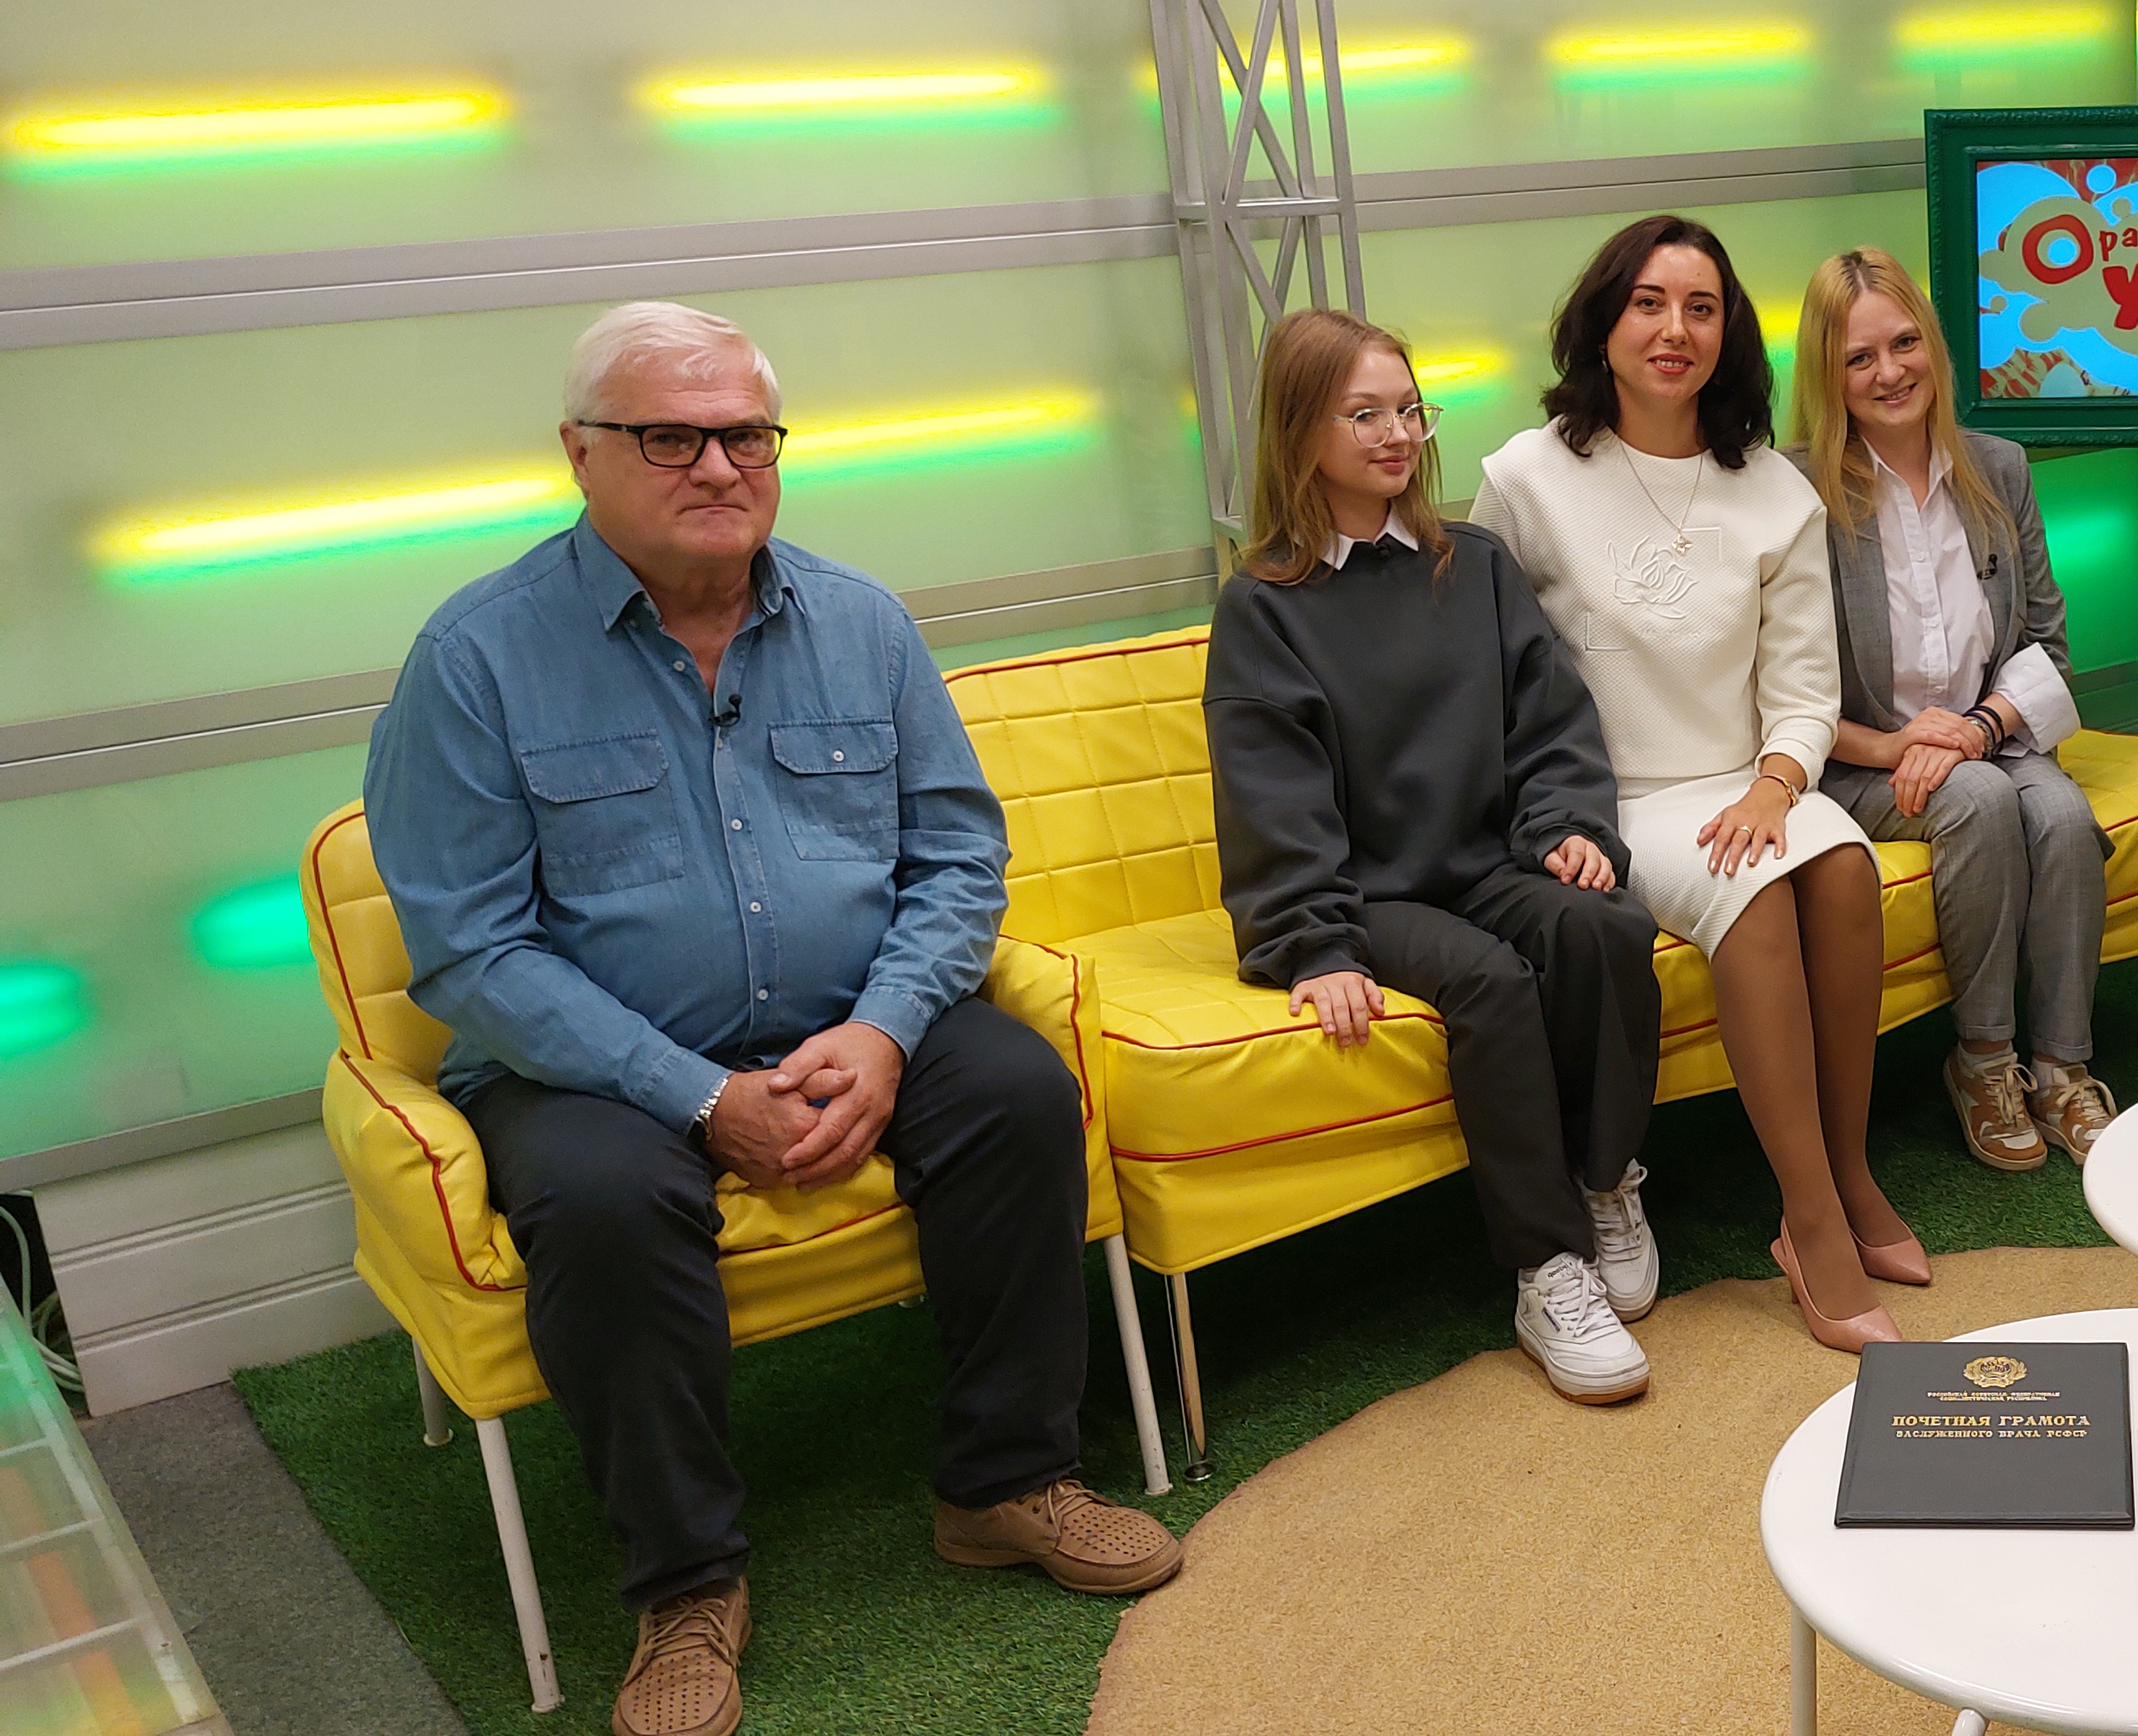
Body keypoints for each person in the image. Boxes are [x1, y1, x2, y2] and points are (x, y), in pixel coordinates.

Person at [362, 302, 1178, 1736]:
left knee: (1014, 1091)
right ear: (580, 452)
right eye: (668, 436)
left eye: (746, 435)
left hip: (850, 1017)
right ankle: (685, 1582)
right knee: (604, 1200)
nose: (717, 465)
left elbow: (957, 857)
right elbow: (473, 951)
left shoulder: (862, 623)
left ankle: (1006, 1480)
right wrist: (693, 1094)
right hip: (593, 1062)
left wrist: (885, 1029)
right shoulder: (476, 659)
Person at [1470, 215, 1922, 1350]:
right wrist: (1539, 815)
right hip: (1609, 798)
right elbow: (1486, 673)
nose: (1675, 329)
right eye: (1649, 303)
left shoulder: (1772, 490)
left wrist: (1778, 783)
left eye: (1702, 308)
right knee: (1755, 893)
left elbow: (1805, 686)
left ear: (1729, 336)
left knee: (1842, 866)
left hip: (1746, 778)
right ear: (1604, 323)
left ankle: (1850, 1174)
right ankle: (1810, 1223)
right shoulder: (1524, 479)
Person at [1202, 309, 1666, 1405]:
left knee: (1605, 926)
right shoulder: (1263, 608)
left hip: (1491, 861)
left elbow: (1552, 723)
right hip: (1365, 893)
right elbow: (1272, 797)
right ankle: (1547, 1267)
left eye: (1409, 410)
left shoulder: (1479, 567)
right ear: (1298, 431)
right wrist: (1316, 944)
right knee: (1491, 983)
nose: (1397, 434)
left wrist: (1567, 827)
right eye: (1363, 414)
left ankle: (1606, 1181)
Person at [1783, 247, 2116, 1173]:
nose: (1889, 372)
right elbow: (1780, 689)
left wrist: (1977, 728)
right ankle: (1983, 1060)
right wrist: (1896, 747)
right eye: (1858, 358)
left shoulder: (1998, 468)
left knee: (2061, 815)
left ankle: (2062, 1067)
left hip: (1988, 733)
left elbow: (2047, 646)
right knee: (1980, 799)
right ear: (1827, 374)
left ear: (1932, 344)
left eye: (1904, 344)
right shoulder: (1794, 490)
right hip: (1855, 754)